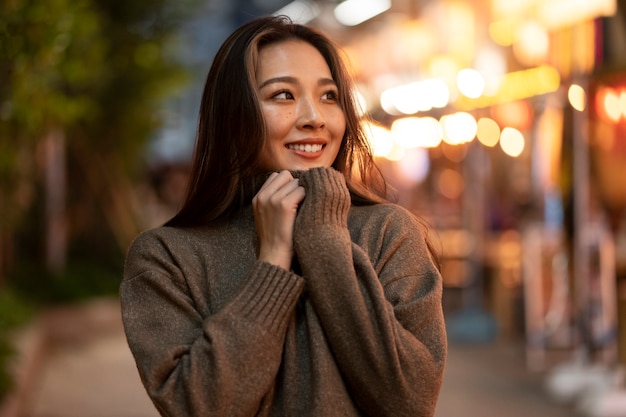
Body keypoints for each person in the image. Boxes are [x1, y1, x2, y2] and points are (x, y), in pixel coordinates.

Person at [120, 15, 447, 417]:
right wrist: (273, 261)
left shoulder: (389, 233)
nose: (314, 117)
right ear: (233, 115)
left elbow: (410, 403)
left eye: (329, 97)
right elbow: (200, 407)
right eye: (283, 96)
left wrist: (324, 240)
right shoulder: (167, 258)